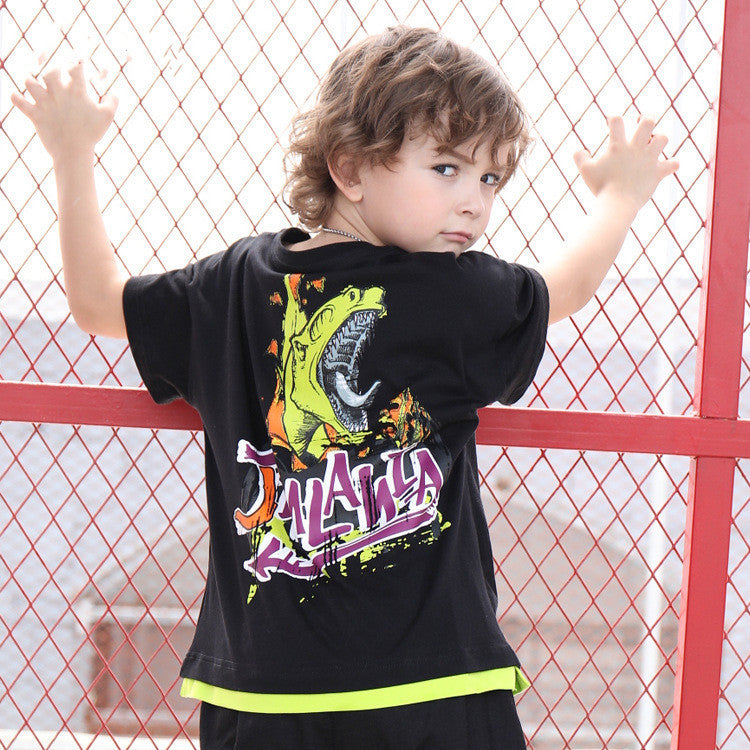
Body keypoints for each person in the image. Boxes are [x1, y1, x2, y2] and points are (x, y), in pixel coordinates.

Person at [11, 25, 678, 750]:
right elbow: (565, 288)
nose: (475, 203)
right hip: (424, 685)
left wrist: (71, 155)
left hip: (271, 692)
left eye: (491, 180)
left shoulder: (237, 283)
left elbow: (96, 303)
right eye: (448, 168)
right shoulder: (444, 291)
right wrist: (619, 197)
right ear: (351, 167)